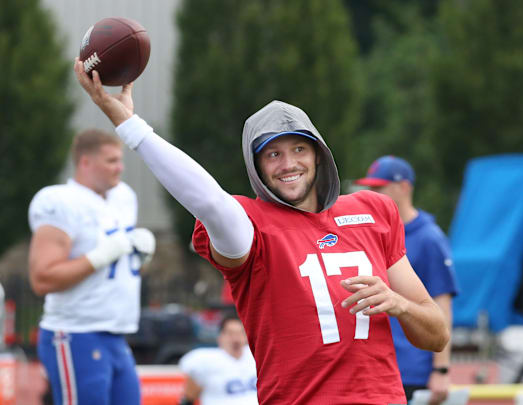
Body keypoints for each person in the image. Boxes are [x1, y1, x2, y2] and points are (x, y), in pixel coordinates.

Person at [74, 59, 449, 405]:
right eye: (273, 154)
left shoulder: (371, 210)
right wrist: (130, 126)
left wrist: (399, 304)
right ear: (256, 165)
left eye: (299, 148)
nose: (289, 164)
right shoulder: (249, 224)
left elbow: (435, 334)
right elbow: (208, 201)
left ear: (318, 153)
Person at [27, 129, 156, 405]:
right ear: (85, 162)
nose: (119, 168)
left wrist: (138, 257)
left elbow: (113, 276)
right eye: (111, 161)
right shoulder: (60, 202)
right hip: (76, 333)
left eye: (120, 160)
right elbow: (42, 279)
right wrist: (101, 256)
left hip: (117, 334)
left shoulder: (124, 197)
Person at [355, 156, 458, 404]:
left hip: (414, 368)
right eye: (370, 187)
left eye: (379, 187)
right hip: (377, 365)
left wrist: (441, 370)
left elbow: (442, 305)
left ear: (404, 188)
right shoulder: (370, 233)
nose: (372, 193)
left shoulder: (429, 237)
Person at [179, 314, 258, 405]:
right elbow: (189, 397)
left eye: (240, 333)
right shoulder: (206, 360)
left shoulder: (255, 356)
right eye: (230, 333)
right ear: (220, 336)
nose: (236, 339)